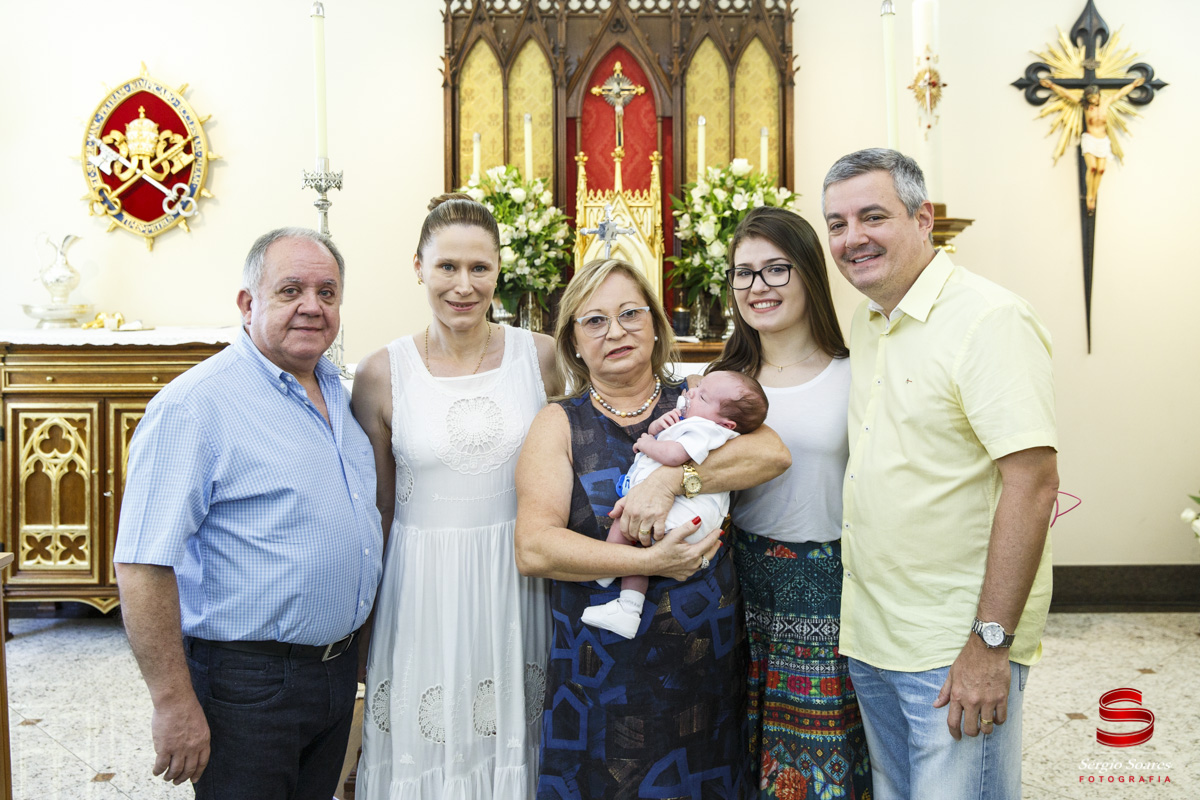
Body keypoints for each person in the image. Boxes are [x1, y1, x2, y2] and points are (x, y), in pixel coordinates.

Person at [822, 148, 1059, 800]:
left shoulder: (989, 319)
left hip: (955, 642)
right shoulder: (868, 319)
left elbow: (1034, 485)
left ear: (923, 218)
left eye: (873, 216)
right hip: (873, 634)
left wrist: (989, 645)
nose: (853, 239)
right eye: (837, 224)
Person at [113, 227, 382, 799]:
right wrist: (172, 701)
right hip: (247, 684)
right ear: (247, 303)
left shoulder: (337, 389)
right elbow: (141, 565)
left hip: (333, 674)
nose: (312, 306)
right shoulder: (196, 406)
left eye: (327, 293)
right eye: (291, 290)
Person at [514, 257, 792, 799]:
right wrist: (647, 563)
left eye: (629, 313)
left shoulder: (696, 396)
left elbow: (772, 454)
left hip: (702, 672)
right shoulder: (559, 424)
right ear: (572, 341)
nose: (615, 331)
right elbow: (535, 548)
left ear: (656, 324)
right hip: (600, 675)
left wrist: (673, 479)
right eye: (594, 321)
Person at [352, 193, 561, 798]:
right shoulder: (380, 373)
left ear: (499, 269)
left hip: (517, 581)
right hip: (421, 588)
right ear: (418, 266)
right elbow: (380, 507)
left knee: (512, 739)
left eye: (479, 268)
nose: (463, 285)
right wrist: (366, 621)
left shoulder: (541, 357)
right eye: (447, 267)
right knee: (428, 744)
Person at [707, 205, 872, 798]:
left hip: (827, 584)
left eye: (776, 270)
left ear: (808, 273)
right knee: (734, 746)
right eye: (743, 273)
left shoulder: (855, 374)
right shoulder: (720, 383)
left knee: (818, 753)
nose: (758, 287)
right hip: (737, 583)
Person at [582, 370, 769, 639]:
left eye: (702, 396)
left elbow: (673, 454)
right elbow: (672, 441)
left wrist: (647, 442)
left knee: (627, 525)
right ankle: (628, 607)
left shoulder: (704, 429)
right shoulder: (699, 424)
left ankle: (605, 573)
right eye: (698, 387)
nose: (691, 392)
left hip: (685, 515)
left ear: (727, 424)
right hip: (688, 516)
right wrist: (659, 427)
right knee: (637, 543)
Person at [1040, 75, 1145, 212]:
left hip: (1102, 140)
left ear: (1098, 95)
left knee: (1101, 170)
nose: (1093, 100)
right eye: (1090, 98)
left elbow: (1120, 94)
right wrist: (1051, 86)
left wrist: (1133, 85)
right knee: (1093, 168)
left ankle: (1093, 195)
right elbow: (1066, 94)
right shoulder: (1085, 106)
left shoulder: (1105, 104)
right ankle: (1089, 195)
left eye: (1094, 97)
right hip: (1090, 139)